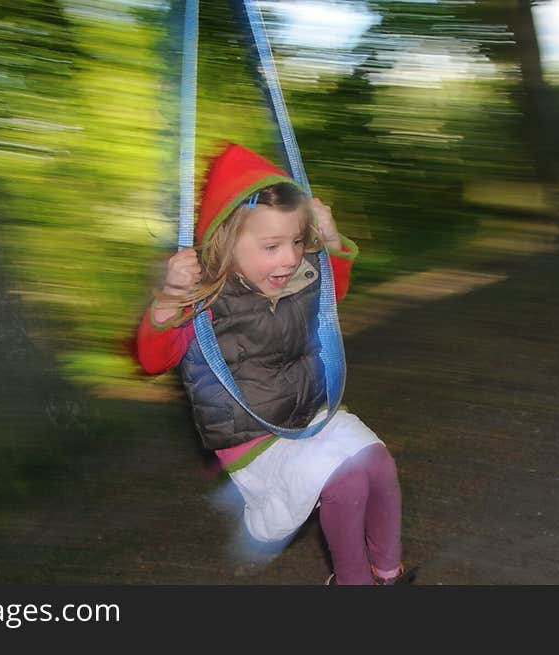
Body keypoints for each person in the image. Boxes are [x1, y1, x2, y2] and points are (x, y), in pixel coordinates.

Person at [136, 143, 412, 585]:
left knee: (376, 462)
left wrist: (332, 239)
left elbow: (331, 295)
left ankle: (387, 572)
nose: (288, 257)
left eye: (297, 241)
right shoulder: (204, 299)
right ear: (226, 239)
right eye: (271, 246)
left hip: (308, 415)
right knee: (346, 480)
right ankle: (352, 582)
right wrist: (169, 298)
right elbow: (153, 358)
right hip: (251, 438)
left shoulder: (296, 275)